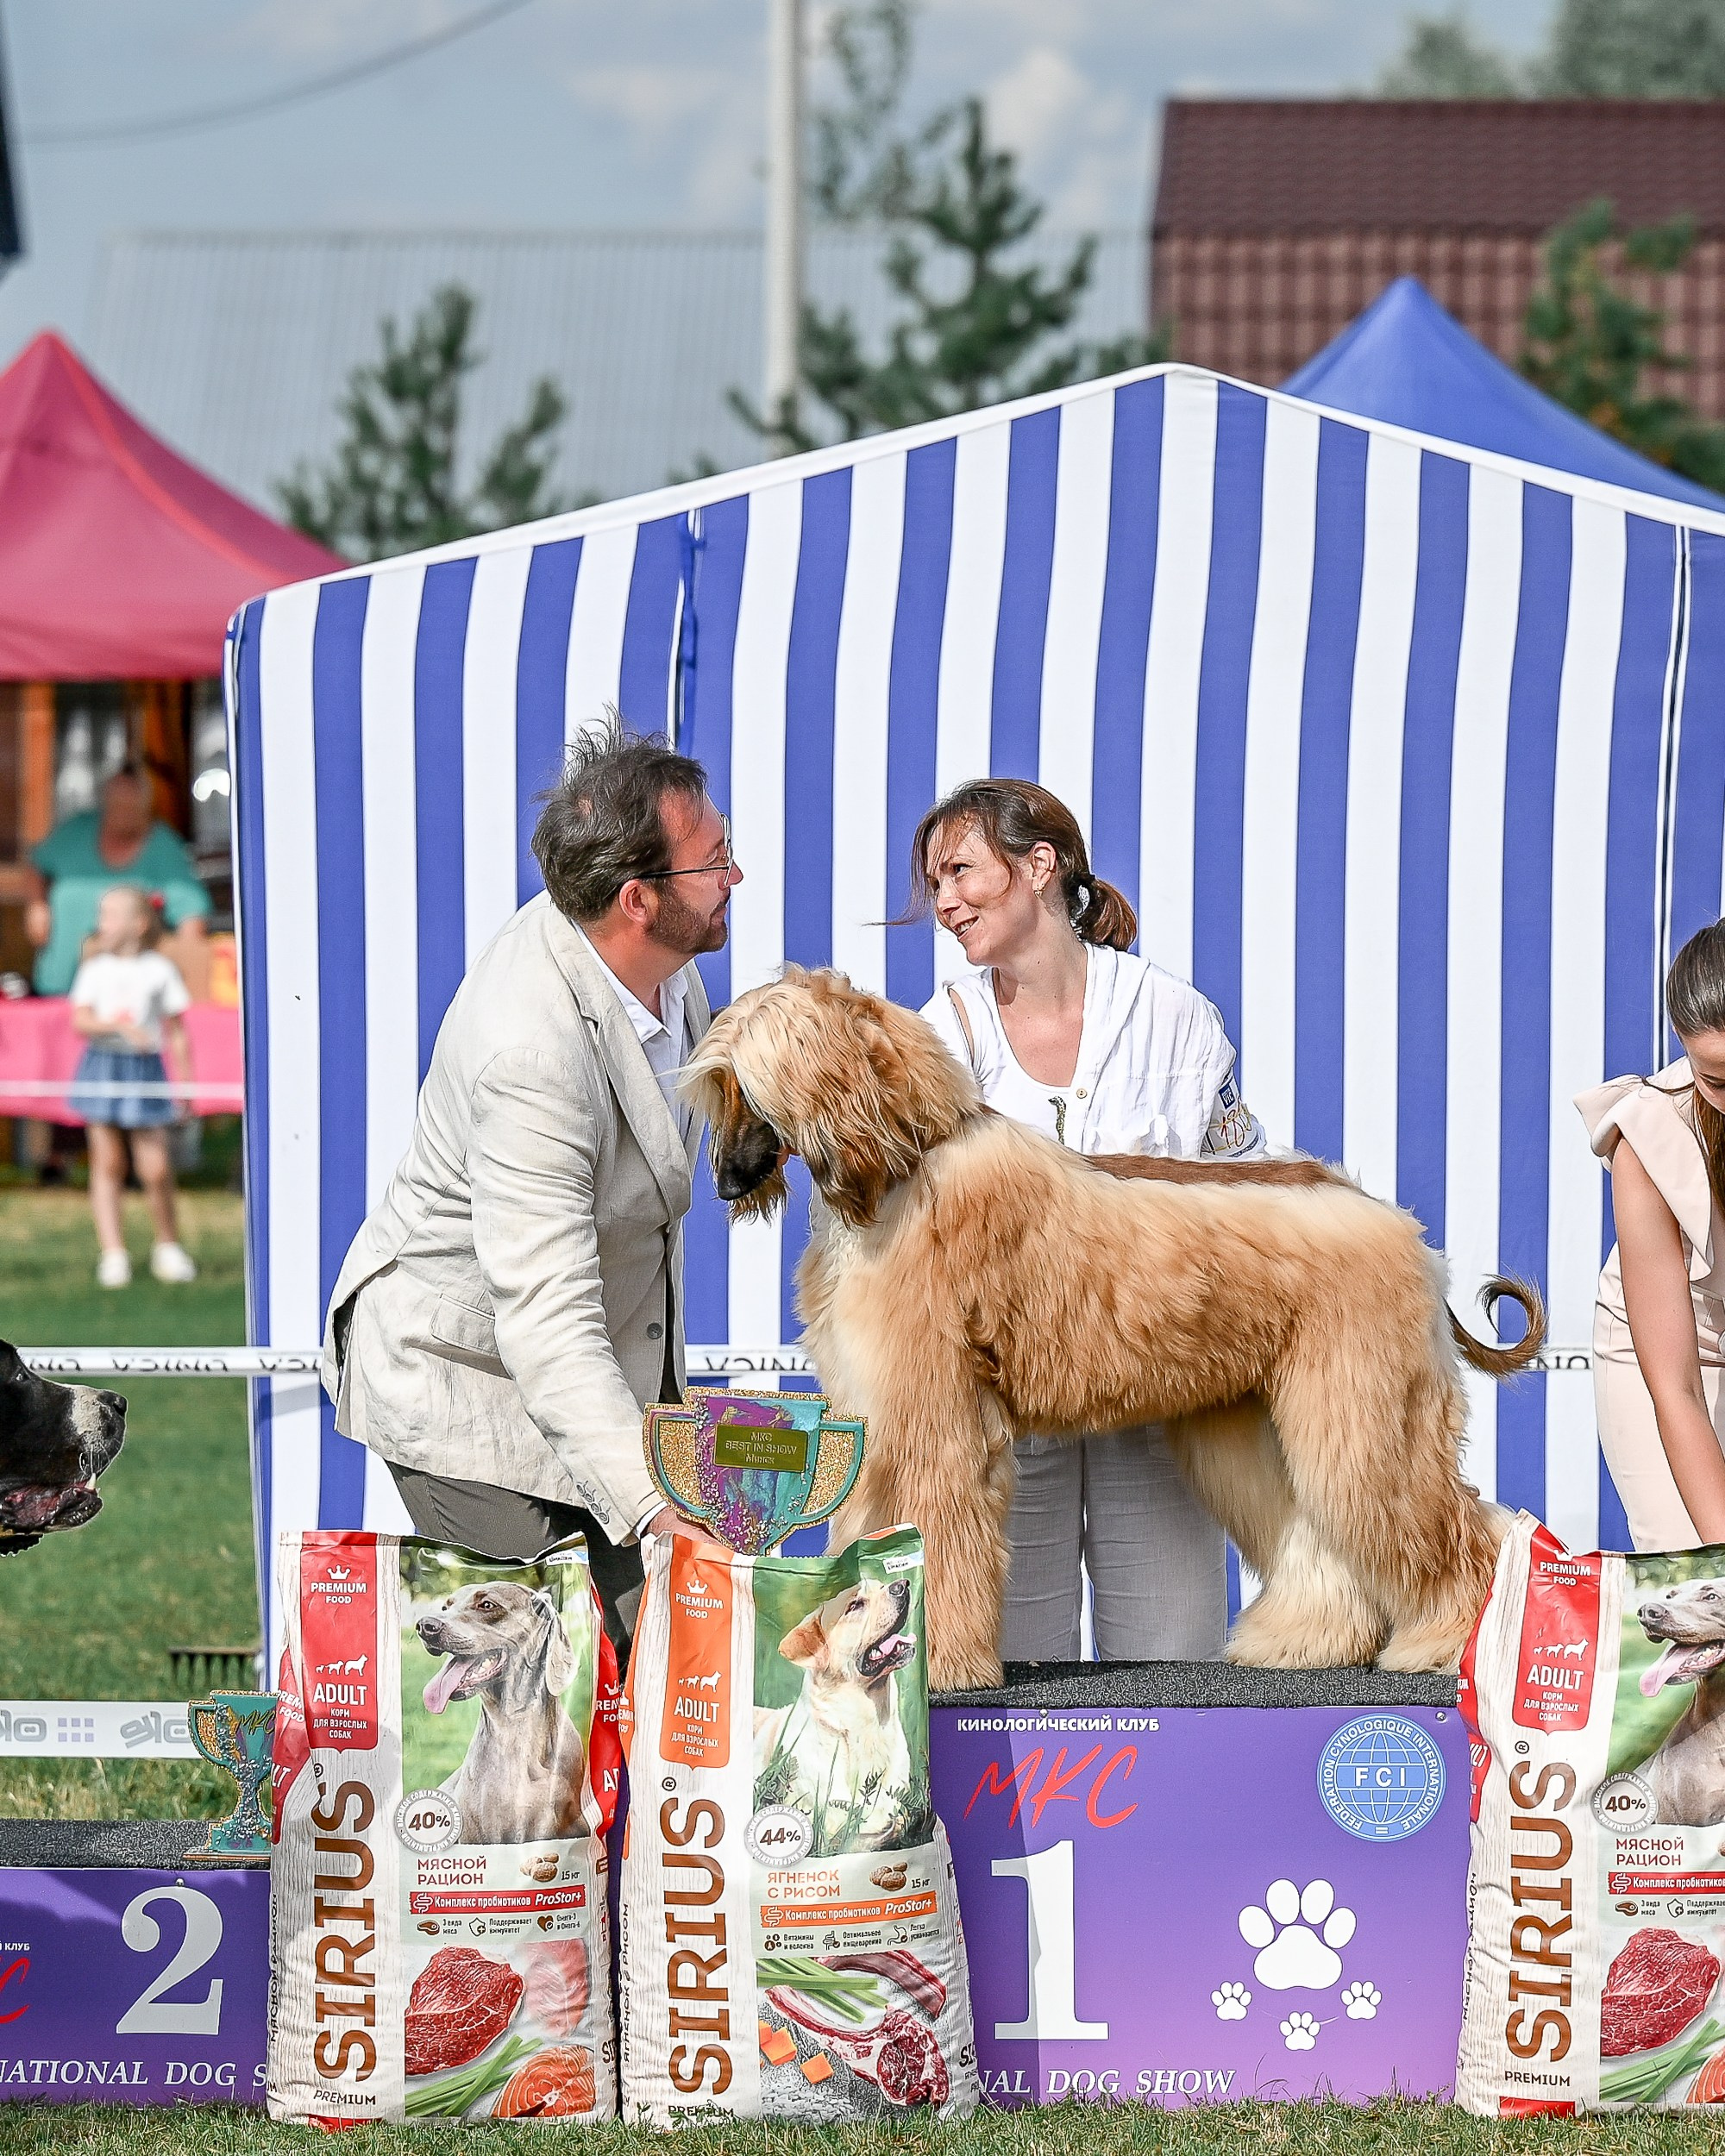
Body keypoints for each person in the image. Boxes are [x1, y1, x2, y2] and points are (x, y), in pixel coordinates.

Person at [322, 724, 740, 1655]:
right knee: (557, 1672)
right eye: (713, 861)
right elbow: (547, 1320)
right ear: (636, 899)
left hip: (584, 1373)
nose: (734, 877)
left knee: (667, 1650)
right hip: (463, 1382)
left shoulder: (660, 962)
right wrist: (655, 1514)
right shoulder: (528, 1051)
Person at [907, 777, 1266, 1664]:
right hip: (1000, 1410)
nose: (944, 903)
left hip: (1155, 1396)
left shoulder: (1175, 1018)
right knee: (1006, 1677)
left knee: (1171, 1665)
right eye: (935, 884)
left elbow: (1244, 1192)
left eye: (959, 872)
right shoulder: (936, 1036)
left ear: (1039, 866)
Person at [1578, 918, 1725, 1550]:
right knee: (1703, 1582)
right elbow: (1678, 1389)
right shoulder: (1649, 1137)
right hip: (1680, 1353)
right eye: (1716, 1080)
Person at [66, 885, 198, 1289]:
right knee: (107, 1164)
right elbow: (81, 1020)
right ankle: (113, 1253)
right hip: (103, 1068)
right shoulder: (94, 970)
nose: (101, 924)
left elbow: (176, 1032)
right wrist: (120, 1028)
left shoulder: (159, 970)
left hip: (145, 1072)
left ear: (139, 924)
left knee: (155, 1168)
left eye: (110, 915)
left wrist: (186, 1084)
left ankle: (168, 1246)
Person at [25, 766, 210, 998]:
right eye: (116, 805)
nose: (122, 813)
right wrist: (37, 906)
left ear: (146, 808)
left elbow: (191, 916)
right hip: (57, 986)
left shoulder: (164, 848)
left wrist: (186, 979)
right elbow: (36, 864)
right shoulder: (76, 832)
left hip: (126, 997)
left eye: (130, 806)